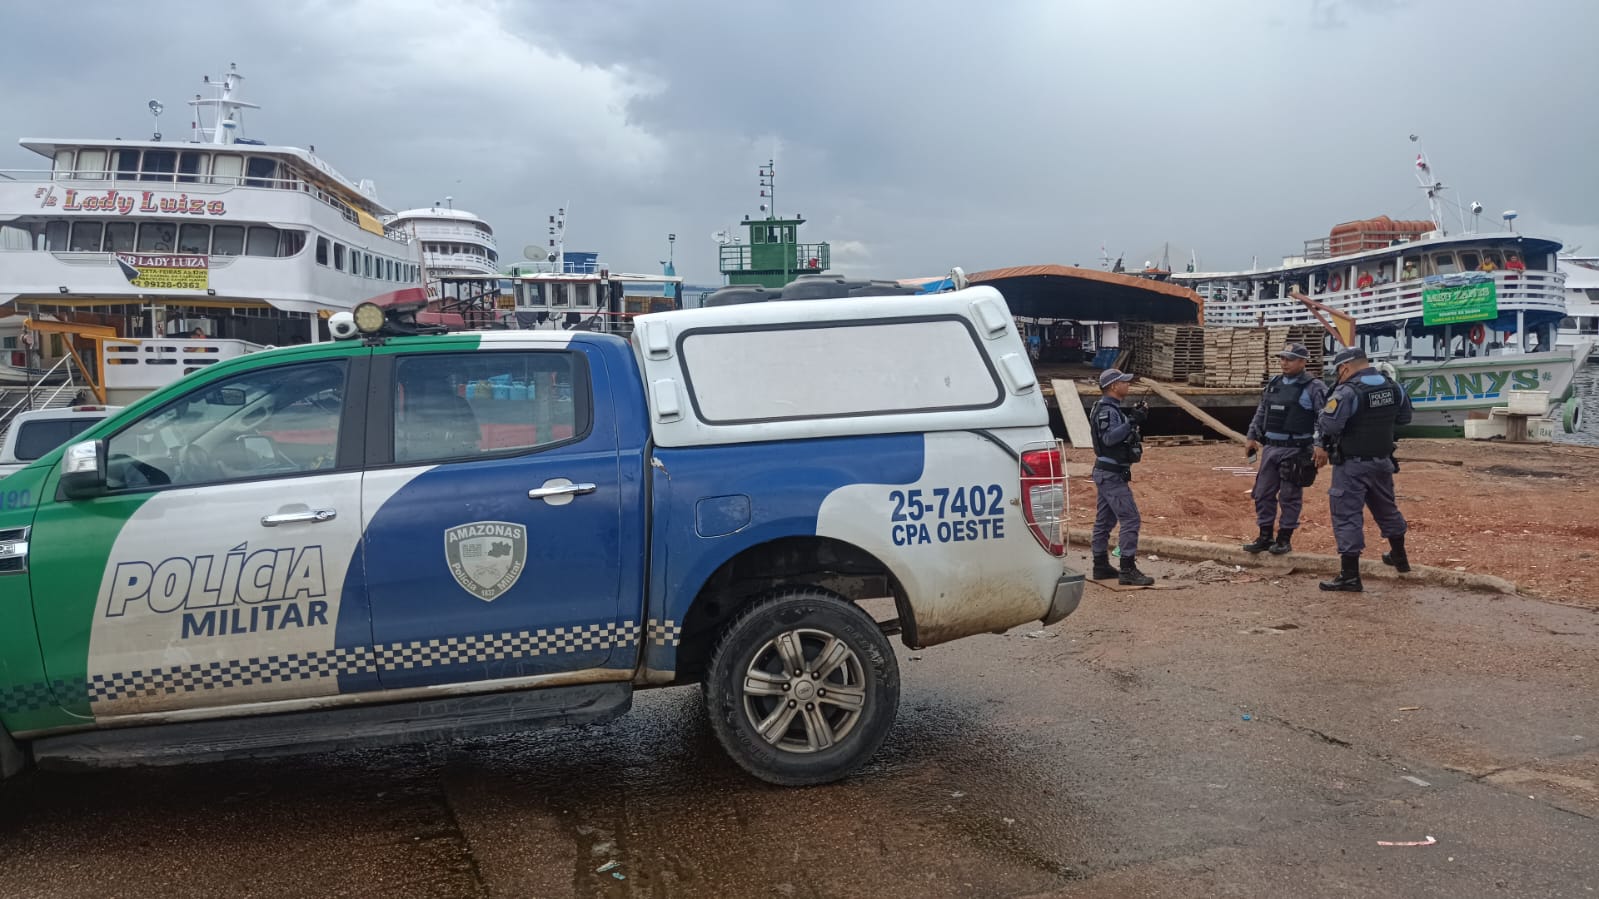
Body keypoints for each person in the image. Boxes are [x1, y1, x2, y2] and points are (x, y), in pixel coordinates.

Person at [1313, 347, 1413, 592]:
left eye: (1338, 370)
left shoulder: (1346, 392)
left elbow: (1329, 425)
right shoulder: (1393, 387)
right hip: (1382, 461)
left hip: (1352, 464)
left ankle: (1349, 576)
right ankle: (1400, 558)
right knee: (1386, 508)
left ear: (1344, 368)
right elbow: (1404, 418)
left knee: (1346, 515)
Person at [1242, 343, 1329, 555]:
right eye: (1282, 358)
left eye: (1289, 359)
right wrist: (1251, 436)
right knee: (1262, 493)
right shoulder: (1274, 383)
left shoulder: (1314, 387)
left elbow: (1325, 419)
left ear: (1302, 362)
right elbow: (1262, 411)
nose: (1284, 363)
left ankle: (1284, 539)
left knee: (1289, 496)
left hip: (1296, 450)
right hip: (1271, 448)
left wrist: (1321, 445)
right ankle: (1264, 537)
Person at [1088, 368, 1154, 586]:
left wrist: (1133, 418)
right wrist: (1132, 421)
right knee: (1130, 519)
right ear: (1114, 386)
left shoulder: (1110, 408)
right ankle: (1127, 569)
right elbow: (1109, 439)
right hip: (1111, 474)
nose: (1128, 385)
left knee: (1105, 520)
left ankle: (1100, 566)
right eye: (1124, 382)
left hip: (1108, 472)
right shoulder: (1107, 410)